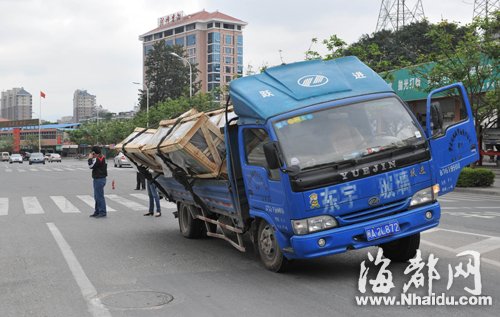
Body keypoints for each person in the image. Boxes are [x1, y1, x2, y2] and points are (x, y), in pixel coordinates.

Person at [88, 146, 107, 218]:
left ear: (94, 153)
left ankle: (102, 212)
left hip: (99, 179)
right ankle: (97, 211)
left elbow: (91, 166)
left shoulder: (99, 159)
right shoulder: (100, 157)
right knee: (97, 196)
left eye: (92, 152)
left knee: (99, 196)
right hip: (99, 179)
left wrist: (90, 158)